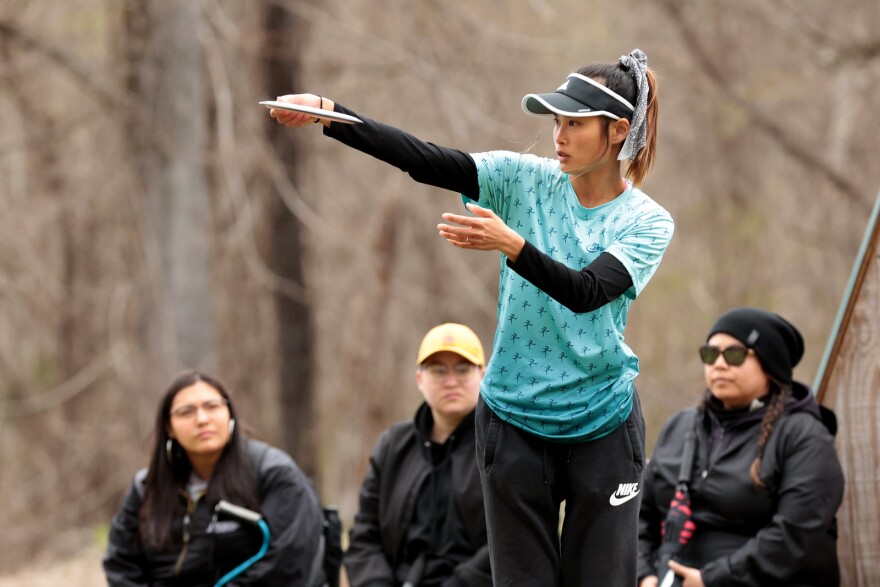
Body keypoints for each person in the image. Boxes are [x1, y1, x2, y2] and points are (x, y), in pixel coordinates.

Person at [270, 49, 673, 586]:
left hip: (603, 423)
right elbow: (425, 159)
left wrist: (513, 245)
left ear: (619, 130)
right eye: (556, 121)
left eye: (575, 124)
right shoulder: (522, 179)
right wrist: (330, 113)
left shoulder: (646, 221)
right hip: (513, 420)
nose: (558, 136)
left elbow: (587, 292)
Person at [637, 307, 845, 587]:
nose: (719, 364)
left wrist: (711, 580)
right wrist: (644, 574)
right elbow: (641, 513)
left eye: (734, 355)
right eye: (710, 354)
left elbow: (796, 533)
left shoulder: (803, 435)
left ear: (771, 365)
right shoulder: (680, 426)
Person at [103, 370, 327, 586]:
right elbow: (121, 564)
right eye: (186, 412)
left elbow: (289, 566)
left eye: (212, 407)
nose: (202, 419)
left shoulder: (274, 473)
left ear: (230, 413)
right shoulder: (146, 488)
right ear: (169, 427)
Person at [345, 323, 491, 587]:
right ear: (420, 379)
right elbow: (365, 536)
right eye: (438, 370)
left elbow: (510, 538)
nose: (451, 381)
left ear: (483, 374)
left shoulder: (500, 447)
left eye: (463, 369)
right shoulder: (393, 446)